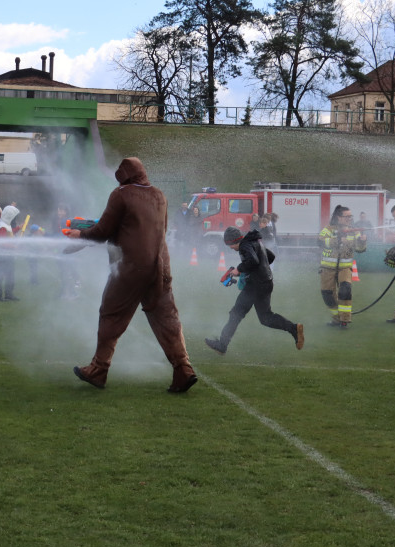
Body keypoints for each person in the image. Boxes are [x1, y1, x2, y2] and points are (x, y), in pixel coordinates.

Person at [67, 157, 198, 393]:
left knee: (111, 314)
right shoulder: (160, 195)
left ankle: (98, 369)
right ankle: (184, 369)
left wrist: (80, 235)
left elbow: (103, 231)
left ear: (124, 175)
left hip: (130, 268)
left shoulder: (122, 194)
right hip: (160, 266)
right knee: (166, 319)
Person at [205, 227, 304, 355]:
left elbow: (253, 260)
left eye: (229, 245)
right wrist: (256, 270)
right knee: (265, 317)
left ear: (233, 241)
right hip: (266, 283)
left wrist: (238, 269)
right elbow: (271, 257)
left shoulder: (244, 246)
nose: (230, 248)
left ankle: (222, 345)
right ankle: (294, 329)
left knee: (236, 313)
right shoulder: (255, 242)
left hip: (255, 286)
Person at [318, 205, 367, 328]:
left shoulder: (354, 231)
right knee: (327, 294)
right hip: (327, 268)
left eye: (351, 216)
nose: (350, 218)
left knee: (345, 290)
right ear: (338, 217)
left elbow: (360, 249)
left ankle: (345, 319)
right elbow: (320, 242)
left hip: (345, 267)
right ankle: (336, 318)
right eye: (347, 216)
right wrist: (337, 239)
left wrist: (361, 241)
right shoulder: (328, 229)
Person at [0, 204, 21, 301]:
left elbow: (9, 233)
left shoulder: (6, 225)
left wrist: (18, 228)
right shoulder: (2, 226)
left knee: (10, 275)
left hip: (7, 255)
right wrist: (13, 246)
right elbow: (1, 242)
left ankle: (9, 294)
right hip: (0, 255)